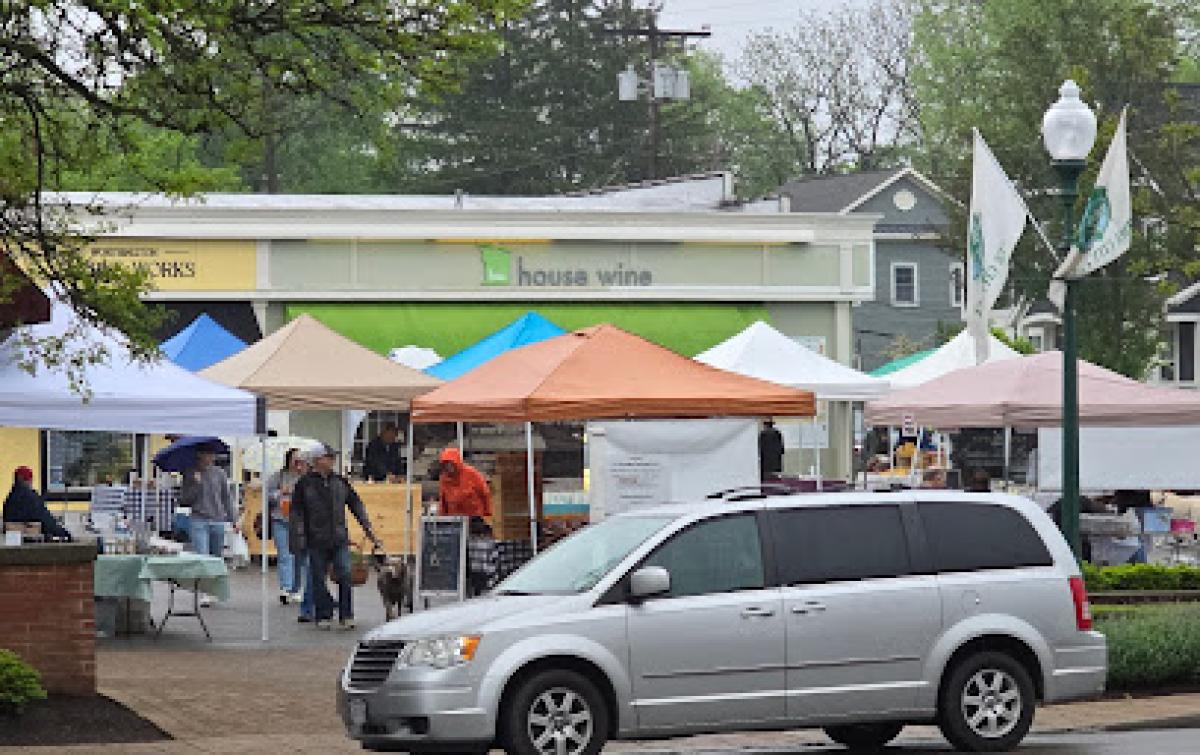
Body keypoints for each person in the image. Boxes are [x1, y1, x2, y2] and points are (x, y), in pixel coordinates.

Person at [291, 444, 381, 630]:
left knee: (345, 574)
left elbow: (355, 504)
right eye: (328, 457)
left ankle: (346, 614)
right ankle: (323, 614)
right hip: (315, 538)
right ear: (316, 460)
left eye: (332, 457)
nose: (332, 460)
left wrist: (368, 528)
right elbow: (297, 512)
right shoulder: (304, 484)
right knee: (318, 578)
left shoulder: (340, 482)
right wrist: (300, 536)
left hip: (339, 537)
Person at [179, 447, 238, 557]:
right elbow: (184, 500)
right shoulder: (190, 473)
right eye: (208, 453)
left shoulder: (220, 473)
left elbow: (226, 498)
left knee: (216, 558)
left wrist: (234, 519)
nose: (212, 457)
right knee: (202, 557)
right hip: (198, 520)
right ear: (199, 454)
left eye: (213, 454)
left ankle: (214, 575)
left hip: (217, 520)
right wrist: (195, 484)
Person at [266, 449, 307, 605]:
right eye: (294, 460)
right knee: (285, 554)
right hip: (280, 518)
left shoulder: (305, 478)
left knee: (299, 556)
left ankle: (297, 588)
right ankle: (286, 588)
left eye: (300, 460)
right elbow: (268, 494)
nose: (297, 463)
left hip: (299, 521)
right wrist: (279, 493)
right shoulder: (279, 476)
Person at [3, 467, 72, 541]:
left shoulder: (9, 499)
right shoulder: (31, 498)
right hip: (30, 544)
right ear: (29, 480)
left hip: (11, 542)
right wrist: (64, 534)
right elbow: (47, 521)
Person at [438, 448, 493, 519]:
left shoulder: (472, 474)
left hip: (474, 517)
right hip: (455, 518)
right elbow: (443, 499)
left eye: (450, 464)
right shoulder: (444, 478)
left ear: (456, 462)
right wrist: (442, 517)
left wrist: (487, 513)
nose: (448, 467)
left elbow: (484, 493)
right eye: (446, 464)